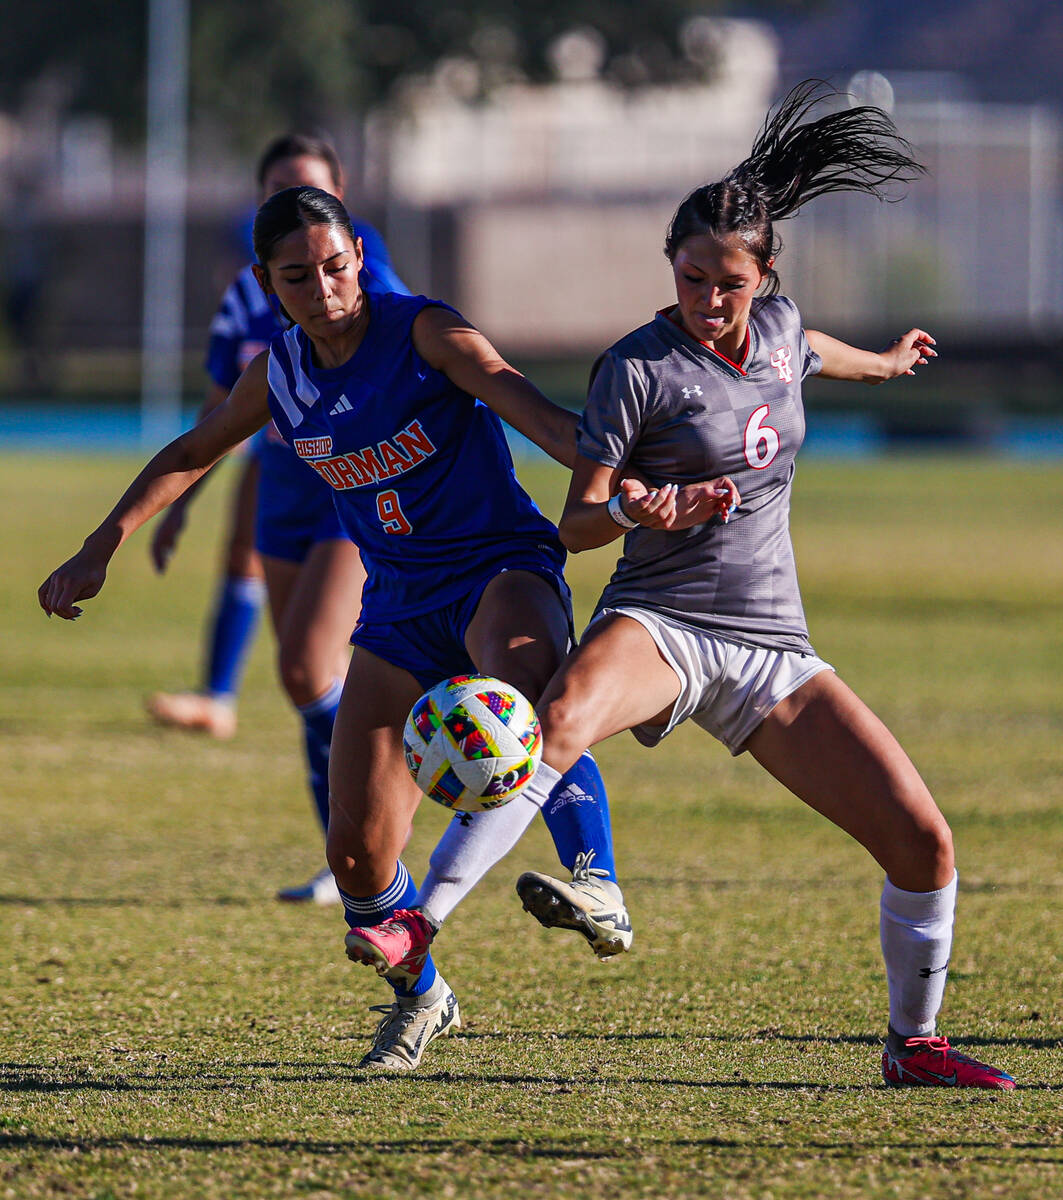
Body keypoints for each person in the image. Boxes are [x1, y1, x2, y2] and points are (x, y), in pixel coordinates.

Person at [340, 81, 1016, 1090]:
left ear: (764, 278)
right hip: (659, 621)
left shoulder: (781, 332)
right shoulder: (637, 370)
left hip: (771, 647)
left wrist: (883, 362)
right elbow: (574, 521)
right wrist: (634, 513)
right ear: (672, 268)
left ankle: (910, 1046)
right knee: (553, 713)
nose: (708, 300)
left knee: (922, 841)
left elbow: (808, 357)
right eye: (691, 278)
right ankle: (416, 924)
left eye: (728, 285)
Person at [38, 184, 629, 1072]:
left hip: (497, 568)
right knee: (356, 859)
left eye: (335, 266)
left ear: (359, 255)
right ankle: (424, 997)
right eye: (297, 277)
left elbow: (541, 419)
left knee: (529, 699)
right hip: (395, 606)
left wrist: (621, 479)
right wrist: (100, 545)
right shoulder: (277, 374)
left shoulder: (425, 332)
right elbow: (193, 450)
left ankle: (596, 881)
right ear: (266, 283)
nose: (322, 288)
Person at [146, 133, 406, 904]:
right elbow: (220, 409)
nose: (292, 204)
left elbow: (416, 366)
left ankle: (388, 815)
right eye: (277, 191)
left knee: (304, 666)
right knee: (306, 684)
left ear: (340, 198)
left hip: (348, 491)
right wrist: (179, 503)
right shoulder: (245, 292)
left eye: (308, 188)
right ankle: (352, 851)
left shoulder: (365, 275)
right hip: (282, 486)